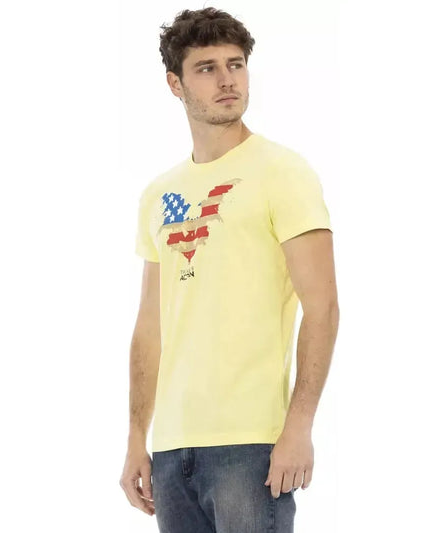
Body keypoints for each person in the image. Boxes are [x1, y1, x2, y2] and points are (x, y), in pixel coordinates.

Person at [119, 6, 339, 532]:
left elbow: (323, 307)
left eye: (235, 64)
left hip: (252, 443)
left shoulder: (282, 172)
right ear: (175, 84)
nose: (227, 80)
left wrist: (299, 426)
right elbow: (150, 326)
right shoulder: (158, 194)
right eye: (207, 68)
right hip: (172, 449)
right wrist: (136, 438)